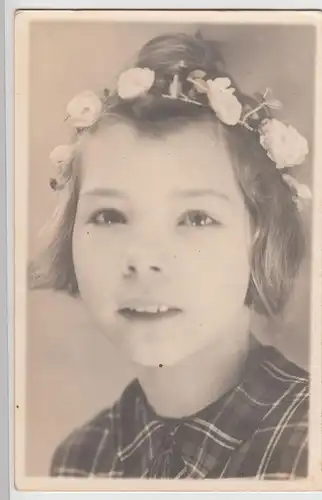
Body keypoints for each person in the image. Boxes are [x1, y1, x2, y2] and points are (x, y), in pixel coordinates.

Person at [29, 31, 311, 479]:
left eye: (196, 218)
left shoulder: (305, 446)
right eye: (109, 216)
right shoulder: (80, 459)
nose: (143, 258)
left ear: (258, 236)